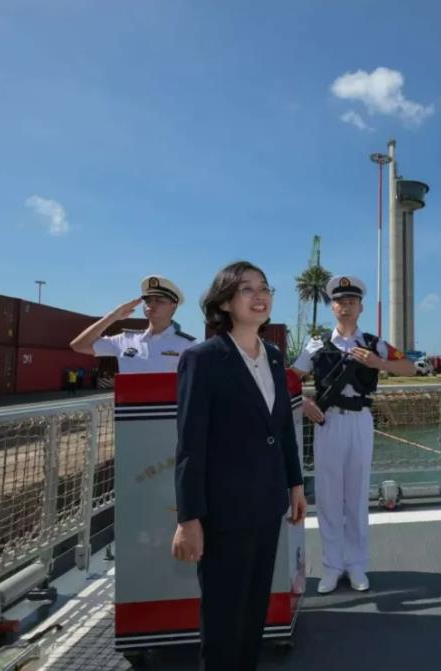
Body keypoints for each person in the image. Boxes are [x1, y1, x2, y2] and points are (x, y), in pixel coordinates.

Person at [171, 261, 306, 670]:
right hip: (224, 513)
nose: (259, 295)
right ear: (226, 302)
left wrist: (295, 485)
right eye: (247, 289)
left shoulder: (275, 358)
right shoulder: (203, 359)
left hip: (267, 506)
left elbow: (282, 428)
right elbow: (190, 444)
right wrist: (188, 518)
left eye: (264, 287)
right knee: (223, 620)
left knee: (253, 616)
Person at [291, 275, 415, 594]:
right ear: (332, 307)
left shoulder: (374, 344)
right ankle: (332, 566)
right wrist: (302, 401)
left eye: (351, 302)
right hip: (329, 421)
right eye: (340, 302)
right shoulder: (317, 345)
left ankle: (357, 565)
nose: (345, 307)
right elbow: (289, 377)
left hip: (360, 420)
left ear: (361, 307)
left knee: (357, 496)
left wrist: (377, 362)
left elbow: (410, 367)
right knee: (329, 496)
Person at [69, 275, 195, 372]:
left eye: (159, 301)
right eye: (148, 300)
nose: (152, 305)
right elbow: (78, 346)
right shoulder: (125, 339)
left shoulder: (188, 346)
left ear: (173, 306)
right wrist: (113, 316)